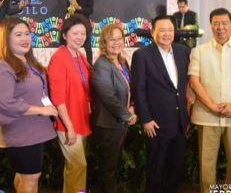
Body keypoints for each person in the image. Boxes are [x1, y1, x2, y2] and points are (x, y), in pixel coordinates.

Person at [188, 8, 231, 192]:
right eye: (216, 23)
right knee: (207, 162)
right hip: (206, 115)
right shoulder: (199, 51)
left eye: (224, 23)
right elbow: (194, 81)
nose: (220, 27)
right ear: (211, 25)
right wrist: (211, 105)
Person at [131, 15, 190, 193]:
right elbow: (138, 89)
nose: (166, 34)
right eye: (162, 30)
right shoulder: (142, 55)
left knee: (175, 168)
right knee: (156, 169)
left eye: (170, 30)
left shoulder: (183, 51)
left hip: (180, 122)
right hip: (156, 123)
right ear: (153, 32)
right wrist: (146, 119)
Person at [0, 17, 58, 193]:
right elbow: (5, 103)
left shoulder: (28, 62)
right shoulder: (4, 66)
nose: (25, 38)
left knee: (24, 177)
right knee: (31, 180)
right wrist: (41, 110)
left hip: (34, 132)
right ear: (5, 39)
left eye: (27, 33)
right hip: (22, 134)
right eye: (18, 34)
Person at [47, 14, 91, 193]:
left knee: (74, 168)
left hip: (82, 118)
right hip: (68, 122)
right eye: (75, 33)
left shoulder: (79, 56)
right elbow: (58, 97)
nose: (80, 37)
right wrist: (69, 126)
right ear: (64, 35)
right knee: (79, 164)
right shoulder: (59, 57)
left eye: (83, 33)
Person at [91, 24, 137, 193]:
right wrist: (128, 115)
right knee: (108, 168)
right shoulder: (101, 65)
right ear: (104, 42)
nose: (116, 42)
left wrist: (133, 107)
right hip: (108, 124)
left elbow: (131, 88)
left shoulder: (122, 62)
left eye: (119, 38)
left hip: (120, 123)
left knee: (113, 165)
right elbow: (108, 97)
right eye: (112, 39)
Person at [66, 0, 94, 66]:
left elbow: (90, 11)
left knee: (88, 48)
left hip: (85, 26)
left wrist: (79, 7)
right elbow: (68, 9)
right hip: (73, 25)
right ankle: (71, 64)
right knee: (70, 47)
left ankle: (90, 66)